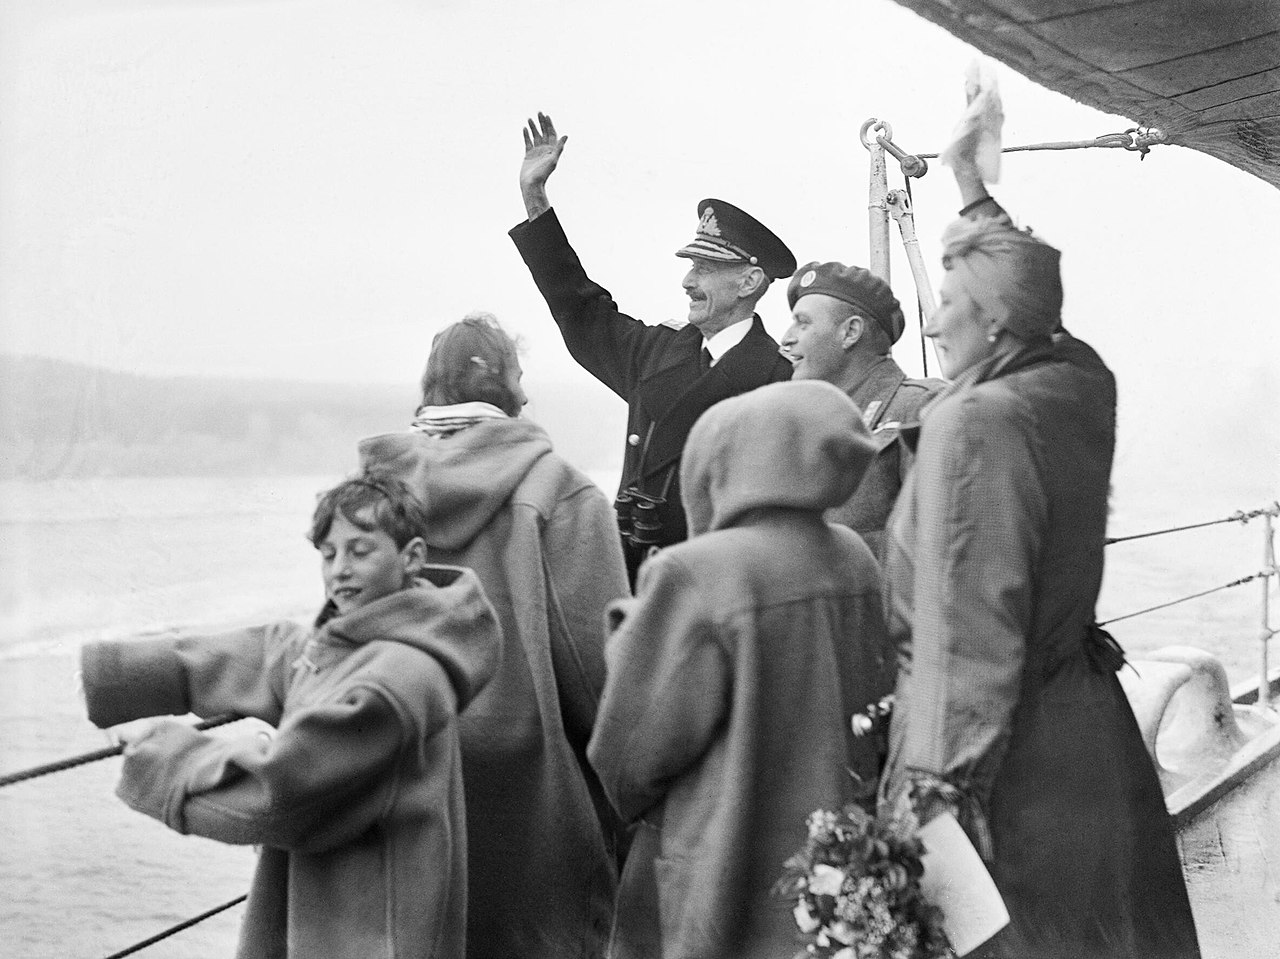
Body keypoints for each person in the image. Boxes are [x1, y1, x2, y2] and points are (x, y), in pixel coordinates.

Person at [876, 124, 1201, 957]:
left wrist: (927, 802)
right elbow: (1044, 306)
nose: (934, 322)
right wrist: (975, 197)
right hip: (1087, 736)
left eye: (951, 305)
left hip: (1010, 766)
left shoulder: (974, 423)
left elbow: (969, 636)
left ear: (994, 323)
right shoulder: (1079, 382)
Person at [79, 476, 501, 959]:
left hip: (372, 937)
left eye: (360, 551)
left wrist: (155, 754)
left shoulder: (396, 681)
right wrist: (119, 679)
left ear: (411, 556)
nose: (340, 570)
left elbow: (279, 793)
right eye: (328, 554)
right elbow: (275, 653)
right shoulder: (368, 645)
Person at [587, 380, 897, 959]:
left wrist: (627, 636)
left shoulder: (696, 573)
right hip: (832, 873)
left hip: (721, 878)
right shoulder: (854, 557)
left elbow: (628, 758)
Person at [359, 311, 628, 959]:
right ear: (515, 394)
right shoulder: (561, 492)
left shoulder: (368, 498)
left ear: (430, 389)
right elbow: (602, 676)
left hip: (394, 782)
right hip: (525, 807)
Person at [510, 112, 795, 581]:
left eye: (704, 269)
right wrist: (535, 198)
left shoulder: (781, 380)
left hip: (714, 592)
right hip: (633, 586)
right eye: (691, 266)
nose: (687, 281)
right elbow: (578, 306)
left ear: (749, 282)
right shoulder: (657, 351)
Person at [781, 261, 943, 557]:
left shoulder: (920, 407)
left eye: (803, 323)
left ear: (850, 332)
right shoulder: (804, 424)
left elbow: (936, 542)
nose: (787, 338)